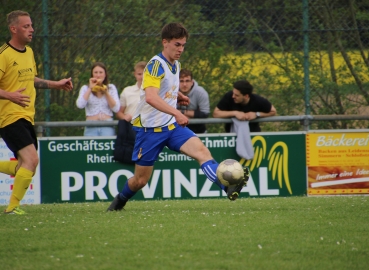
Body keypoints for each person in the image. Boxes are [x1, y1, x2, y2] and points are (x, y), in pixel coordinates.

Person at [107, 22, 250, 212]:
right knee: (140, 181)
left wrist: (177, 96)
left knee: (202, 153)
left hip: (171, 127)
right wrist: (176, 112)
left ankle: (227, 186)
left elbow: (164, 90)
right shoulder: (155, 65)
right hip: (150, 131)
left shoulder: (176, 65)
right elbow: (150, 97)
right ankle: (120, 201)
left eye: (183, 45)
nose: (181, 49)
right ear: (165, 42)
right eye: (177, 44)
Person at [0, 10, 73, 215]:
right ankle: (12, 208)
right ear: (13, 29)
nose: (31, 30)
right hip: (9, 117)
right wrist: (10, 95)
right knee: (31, 160)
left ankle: (13, 206)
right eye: (26, 26)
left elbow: (31, 79)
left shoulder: (29, 52)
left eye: (31, 25)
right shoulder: (4, 55)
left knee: (25, 165)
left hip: (26, 116)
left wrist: (55, 85)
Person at [76, 62, 120, 136]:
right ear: (92, 74)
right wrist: (90, 88)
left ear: (105, 74)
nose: (98, 75)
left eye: (101, 72)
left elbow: (116, 108)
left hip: (107, 125)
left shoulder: (111, 88)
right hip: (91, 126)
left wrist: (106, 92)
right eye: (95, 72)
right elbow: (80, 105)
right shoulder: (85, 88)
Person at [177, 69, 210, 133]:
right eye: (181, 81)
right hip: (176, 129)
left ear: (192, 82)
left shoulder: (201, 92)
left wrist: (180, 112)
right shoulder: (171, 92)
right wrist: (194, 113)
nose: (184, 84)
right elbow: (166, 112)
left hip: (199, 130)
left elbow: (205, 114)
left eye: (187, 81)